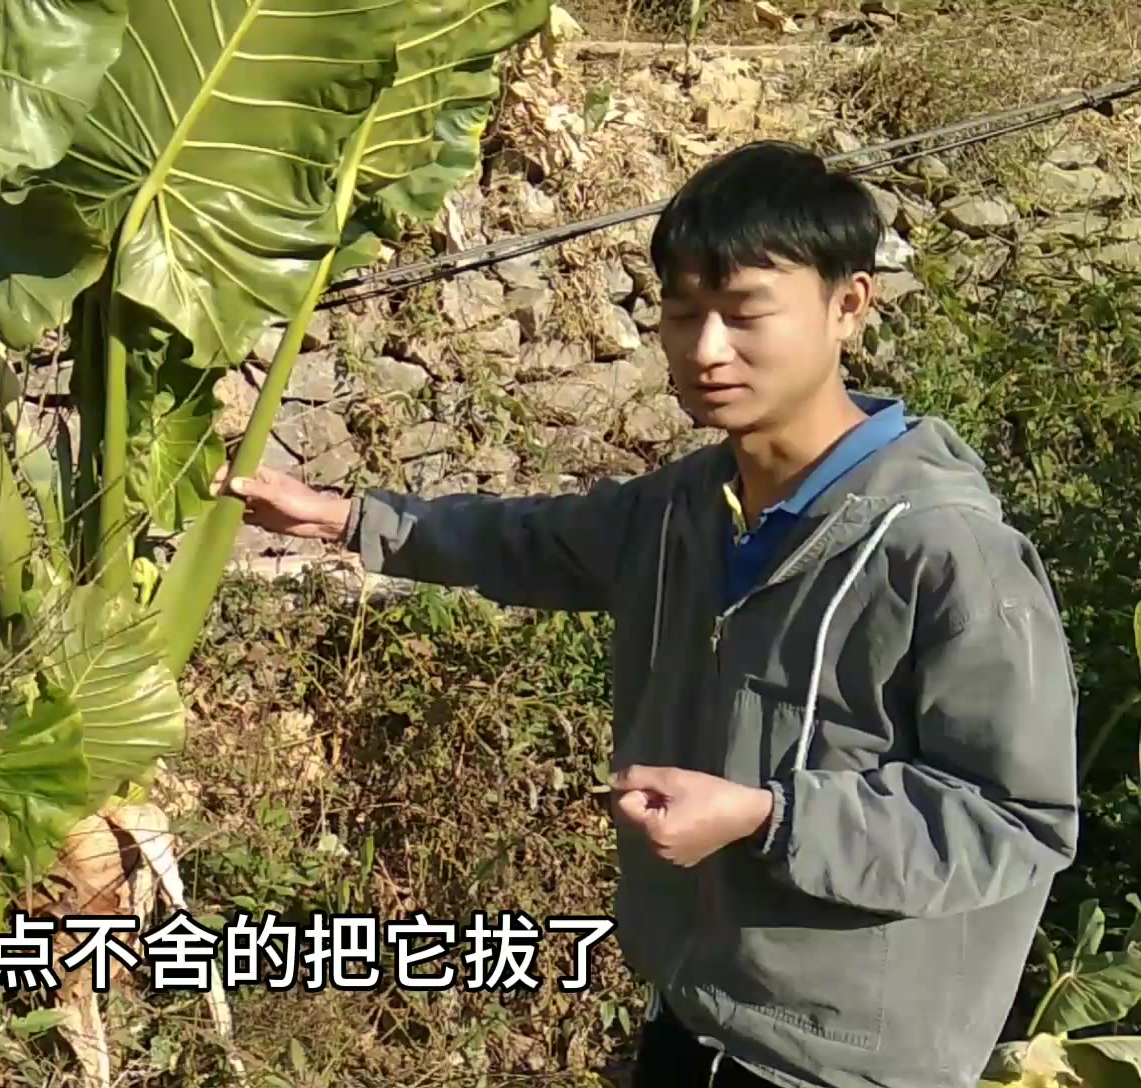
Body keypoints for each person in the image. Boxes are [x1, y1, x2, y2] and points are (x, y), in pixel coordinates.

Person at [217, 140, 1080, 1088]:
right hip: (689, 1014)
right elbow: (534, 542)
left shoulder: (946, 550)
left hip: (844, 1063)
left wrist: (769, 816)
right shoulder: (690, 505)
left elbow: (1017, 817)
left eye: (746, 313)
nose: (707, 350)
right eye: (682, 314)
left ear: (849, 307)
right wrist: (349, 518)